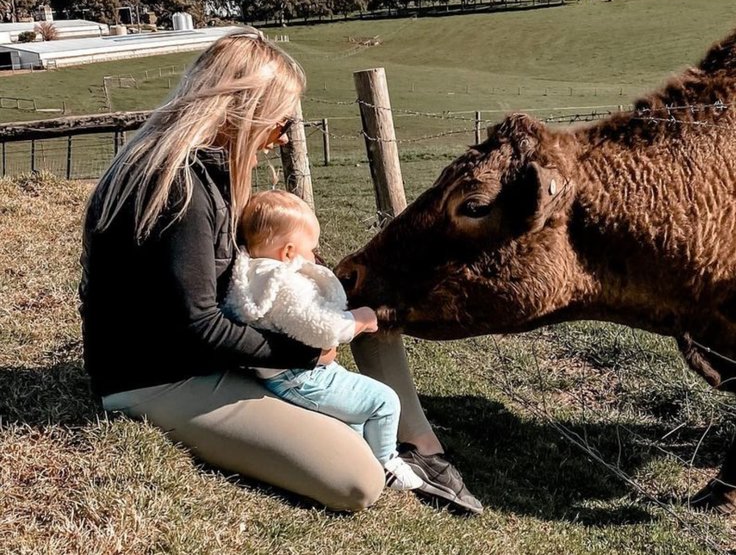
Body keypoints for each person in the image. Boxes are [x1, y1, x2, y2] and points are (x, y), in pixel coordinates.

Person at [78, 28, 482, 514]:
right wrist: (302, 353)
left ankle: (406, 446)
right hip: (161, 380)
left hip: (188, 361)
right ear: (243, 110)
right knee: (356, 481)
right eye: (281, 119)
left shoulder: (192, 170)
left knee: (353, 366)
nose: (286, 134)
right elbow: (197, 323)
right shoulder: (179, 191)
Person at [223, 190, 423, 491]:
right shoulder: (286, 285)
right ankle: (386, 463)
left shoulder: (251, 273)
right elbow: (322, 328)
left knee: (354, 413)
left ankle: (361, 453)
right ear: (288, 252)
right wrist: (361, 319)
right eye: (311, 249)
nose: (314, 256)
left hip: (281, 371)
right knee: (384, 401)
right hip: (300, 377)